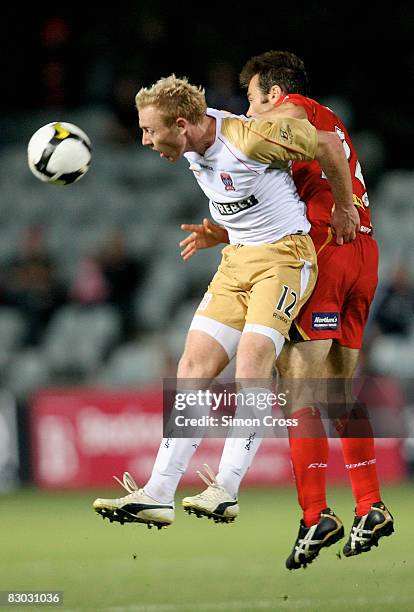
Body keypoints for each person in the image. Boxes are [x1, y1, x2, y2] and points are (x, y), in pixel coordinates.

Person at [93, 73, 357, 533]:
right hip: (237, 262)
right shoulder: (194, 145)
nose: (144, 140)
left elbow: (330, 144)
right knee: (192, 367)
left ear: (180, 124)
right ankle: (158, 492)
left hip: (284, 259)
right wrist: (223, 231)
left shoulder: (248, 137)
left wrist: (343, 206)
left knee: (252, 364)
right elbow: (243, 195)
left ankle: (227, 489)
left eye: (150, 130)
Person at [179, 51, 394, 569]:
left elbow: (300, 141)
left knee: (295, 387)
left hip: (324, 249)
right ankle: (370, 503)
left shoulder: (290, 111)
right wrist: (224, 230)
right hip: (363, 255)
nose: (250, 114)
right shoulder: (328, 117)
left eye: (252, 101)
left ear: (273, 94)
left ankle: (316, 512)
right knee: (336, 391)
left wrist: (338, 207)